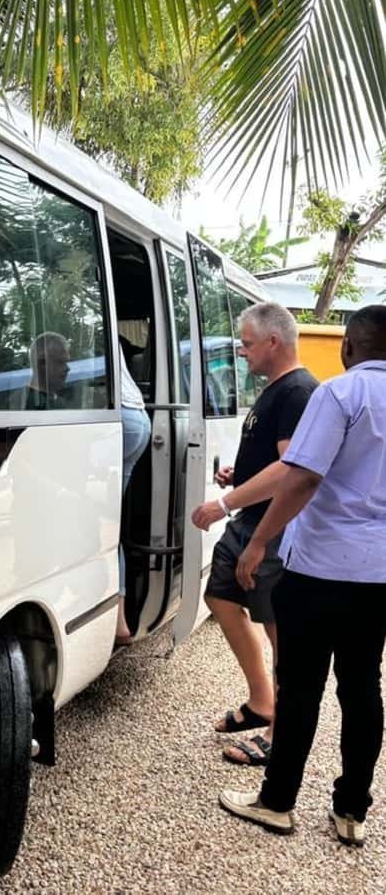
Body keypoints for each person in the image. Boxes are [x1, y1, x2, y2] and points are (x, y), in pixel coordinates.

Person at [219, 306, 386, 844]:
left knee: (301, 687)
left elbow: (302, 477)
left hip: (321, 567)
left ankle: (278, 802)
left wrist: (259, 541)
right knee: (362, 687)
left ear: (348, 346)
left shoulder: (339, 393)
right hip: (379, 575)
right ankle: (351, 811)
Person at [190, 303, 316, 766]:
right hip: (248, 520)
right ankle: (262, 700)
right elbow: (271, 460)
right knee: (220, 596)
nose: (241, 352)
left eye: (246, 343)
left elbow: (290, 470)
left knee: (281, 630)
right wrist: (239, 477)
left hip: (273, 527)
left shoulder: (298, 392)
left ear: (273, 342)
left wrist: (224, 503)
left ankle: (281, 733)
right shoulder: (274, 390)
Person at [116, 338, 151, 644]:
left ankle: (118, 622)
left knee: (106, 530)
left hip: (124, 416)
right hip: (137, 415)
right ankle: (120, 622)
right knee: (111, 524)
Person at [22, 332, 70, 409]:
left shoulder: (54, 402)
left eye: (66, 362)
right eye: (60, 362)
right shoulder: (29, 405)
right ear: (42, 363)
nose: (67, 368)